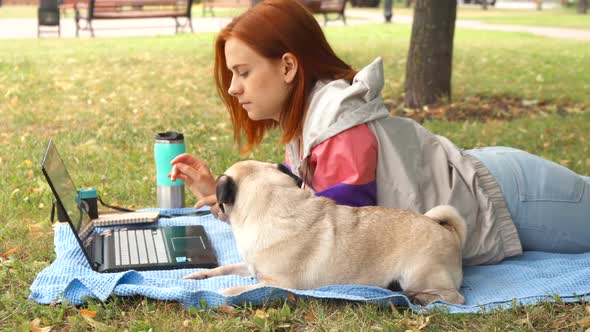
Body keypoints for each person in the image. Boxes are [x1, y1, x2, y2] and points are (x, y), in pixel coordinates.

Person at [169, 0, 590, 266]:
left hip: (507, 195)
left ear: (287, 67)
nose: (232, 87)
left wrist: (239, 200)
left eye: (242, 72)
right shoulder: (308, 124)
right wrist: (223, 194)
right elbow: (287, 213)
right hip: (483, 180)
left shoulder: (337, 122)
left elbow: (320, 230)